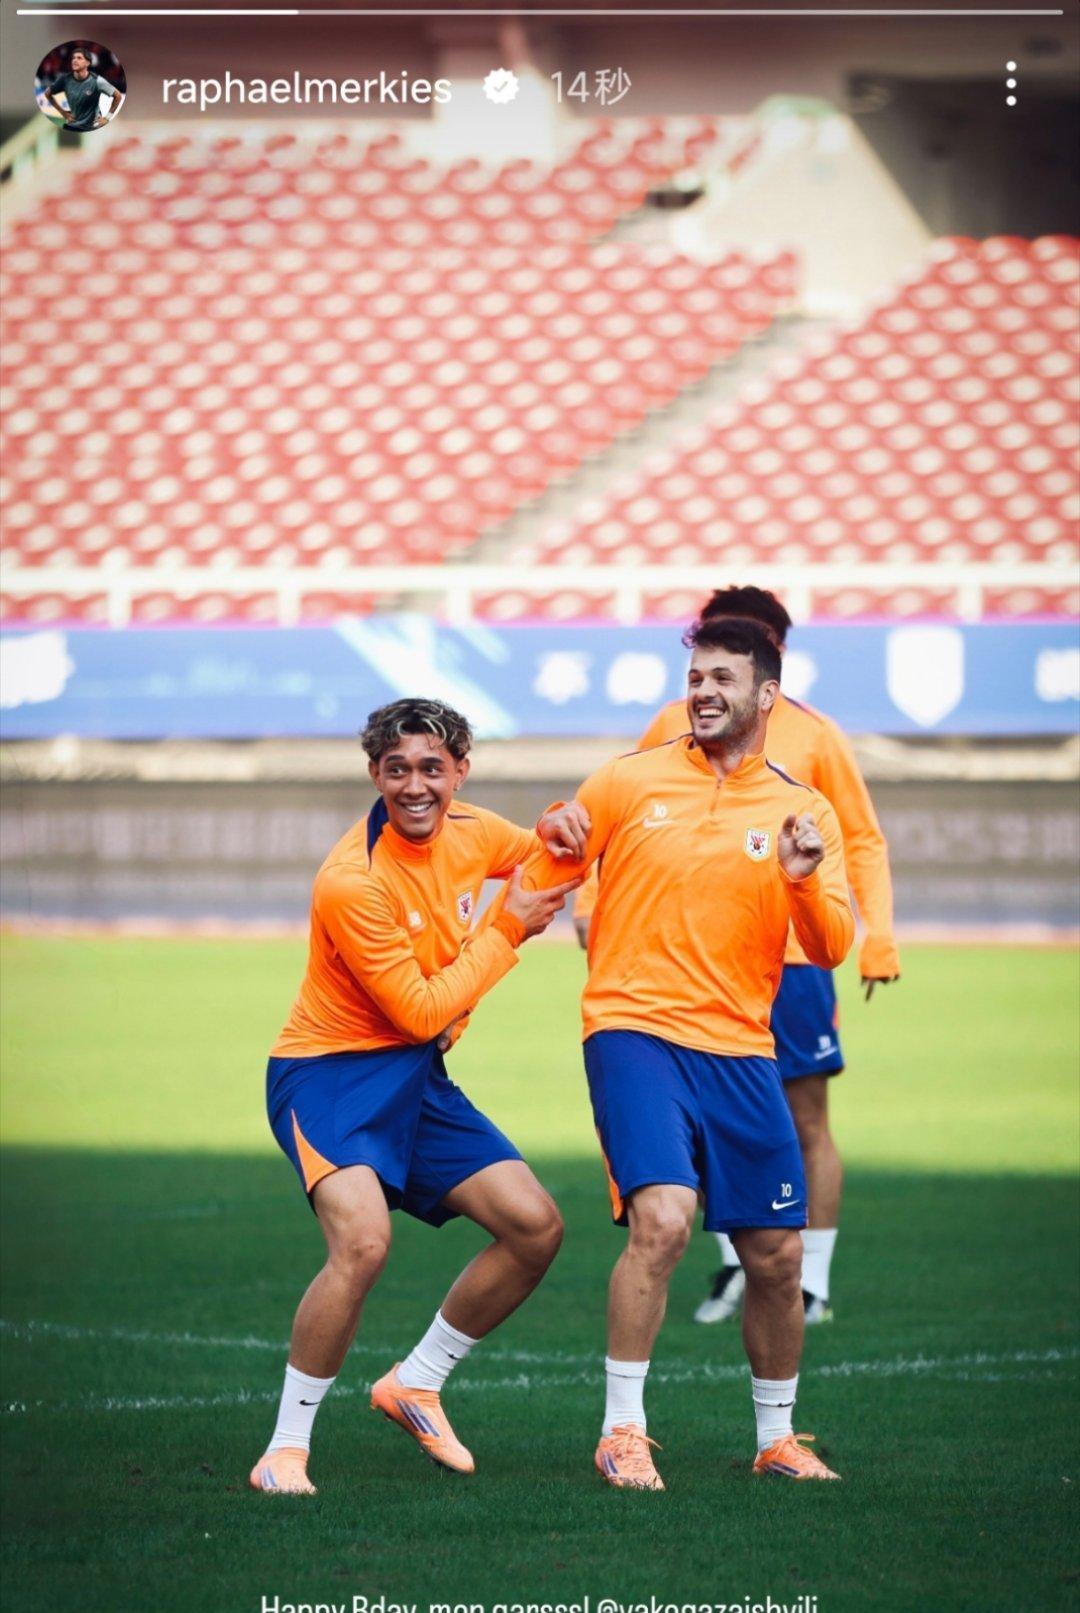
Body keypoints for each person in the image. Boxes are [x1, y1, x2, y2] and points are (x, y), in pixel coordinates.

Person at [526, 616, 855, 1487]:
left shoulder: (803, 809)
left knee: (776, 1256)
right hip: (633, 1030)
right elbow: (550, 859)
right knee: (665, 1218)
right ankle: (621, 1432)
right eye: (696, 678)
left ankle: (777, 1439)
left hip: (742, 1049)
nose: (704, 692)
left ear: (767, 694)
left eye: (722, 679)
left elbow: (831, 944)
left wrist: (801, 879)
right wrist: (553, 826)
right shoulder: (628, 778)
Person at [252, 697, 583, 1495]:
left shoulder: (473, 828)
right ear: (374, 774)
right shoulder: (351, 881)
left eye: (432, 767)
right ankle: (284, 1451)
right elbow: (422, 1011)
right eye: (396, 768)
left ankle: (416, 1381)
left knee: (535, 1228)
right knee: (363, 1242)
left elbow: (549, 853)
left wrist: (559, 823)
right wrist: (509, 928)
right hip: (328, 1075)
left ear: (460, 770)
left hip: (412, 1075)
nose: (415, 785)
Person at [574, 584, 899, 1327]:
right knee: (688, 1130)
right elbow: (612, 823)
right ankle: (729, 1267)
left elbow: (860, 837)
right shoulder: (672, 725)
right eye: (703, 664)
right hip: (680, 970)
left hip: (793, 958)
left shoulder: (817, 736)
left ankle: (811, 1282)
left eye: (739, 655)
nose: (710, 683)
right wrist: (589, 903)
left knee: (804, 1118)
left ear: (772, 660)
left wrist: (877, 933)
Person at [43, 49, 124, 132]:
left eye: (79, 58)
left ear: (87, 63)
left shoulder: (97, 81)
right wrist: (63, 112)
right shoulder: (65, 80)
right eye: (73, 58)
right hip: (72, 126)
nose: (75, 60)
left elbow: (118, 96)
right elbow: (47, 93)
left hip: (91, 128)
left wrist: (107, 118)